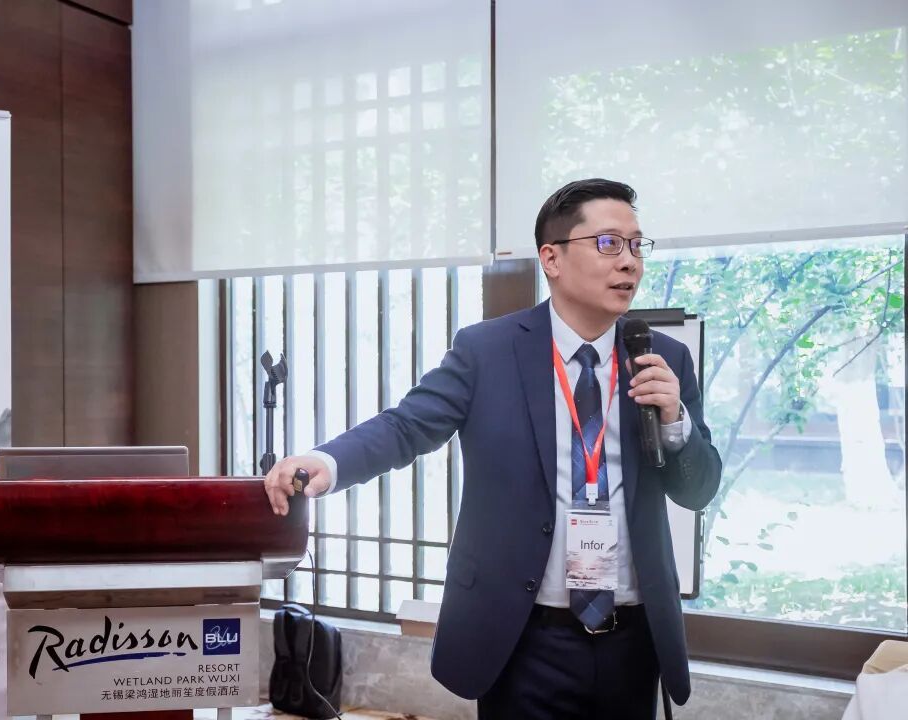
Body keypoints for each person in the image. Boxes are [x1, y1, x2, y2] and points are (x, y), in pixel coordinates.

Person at [264, 178, 722, 719]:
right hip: (524, 639)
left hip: (631, 640)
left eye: (636, 245)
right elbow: (407, 426)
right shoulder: (488, 351)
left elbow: (699, 490)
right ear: (551, 258)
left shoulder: (662, 358)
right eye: (608, 243)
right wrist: (327, 461)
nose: (629, 261)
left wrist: (674, 420)